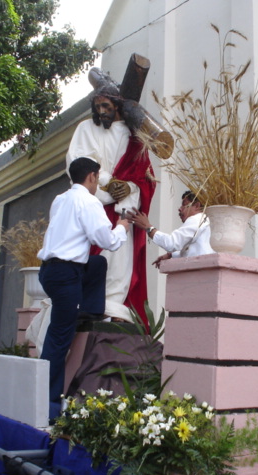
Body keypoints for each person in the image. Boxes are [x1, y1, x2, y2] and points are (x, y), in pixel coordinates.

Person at [37, 157, 131, 419]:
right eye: (98, 177)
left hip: (50, 270)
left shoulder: (61, 199)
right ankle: (48, 403)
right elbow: (107, 240)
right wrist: (122, 227)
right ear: (91, 176)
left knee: (96, 263)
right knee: (58, 340)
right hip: (66, 274)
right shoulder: (89, 202)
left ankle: (88, 309)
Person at [66, 83, 156, 324]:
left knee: (120, 262)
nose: (101, 111)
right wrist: (108, 182)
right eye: (97, 107)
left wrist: (129, 188)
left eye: (106, 106)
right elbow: (78, 162)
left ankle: (115, 309)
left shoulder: (133, 136)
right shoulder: (85, 128)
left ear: (117, 106)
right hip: (96, 204)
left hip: (122, 210)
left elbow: (145, 176)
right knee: (98, 257)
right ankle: (93, 306)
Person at [125, 190, 214, 267]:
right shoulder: (204, 221)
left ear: (197, 206)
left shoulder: (197, 219)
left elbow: (172, 243)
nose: (179, 209)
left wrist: (148, 227)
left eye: (184, 205)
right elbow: (193, 251)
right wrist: (171, 255)